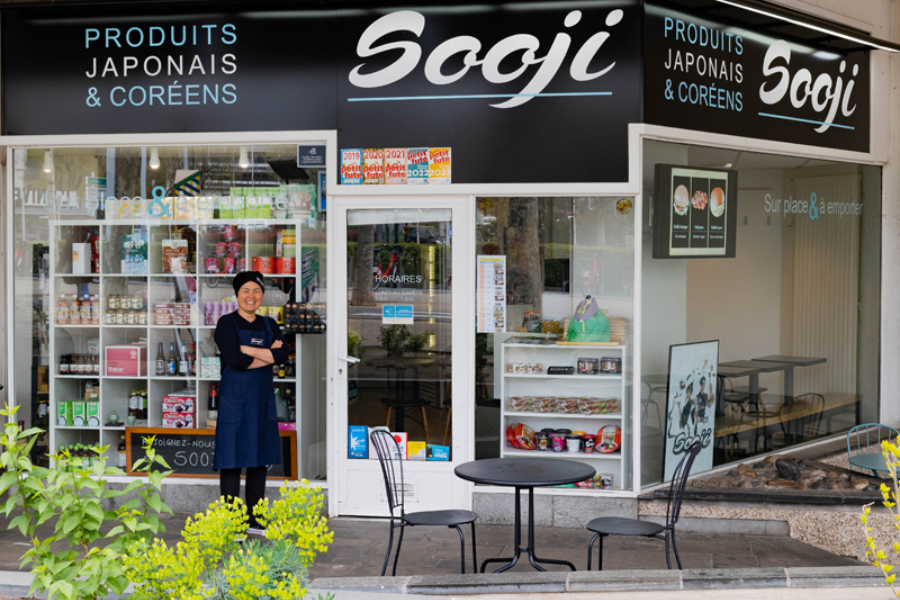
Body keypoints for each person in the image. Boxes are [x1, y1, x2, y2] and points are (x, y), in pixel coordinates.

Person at [214, 271, 288, 534]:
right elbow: (235, 360)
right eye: (246, 290)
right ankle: (232, 521)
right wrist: (267, 355)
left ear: (262, 295)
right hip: (235, 401)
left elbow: (283, 355)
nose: (251, 296)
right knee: (231, 461)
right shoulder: (226, 323)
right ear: (237, 294)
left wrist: (249, 350)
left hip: (261, 399)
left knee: (259, 459)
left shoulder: (269, 324)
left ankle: (255, 518)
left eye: (256, 291)